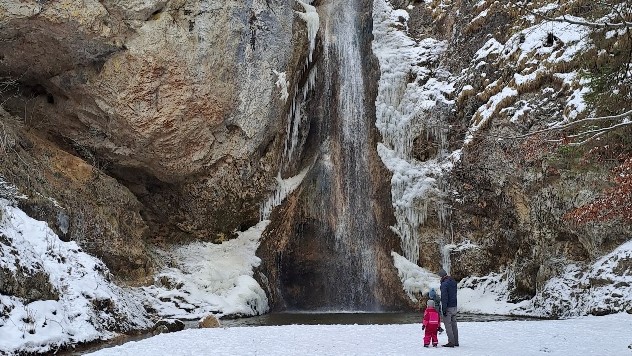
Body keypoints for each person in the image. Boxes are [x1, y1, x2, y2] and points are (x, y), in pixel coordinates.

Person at [438, 268, 459, 347]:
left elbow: (444, 298)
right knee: (454, 325)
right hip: (454, 306)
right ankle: (456, 341)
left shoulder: (444, 284)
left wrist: (444, 309)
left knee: (448, 325)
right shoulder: (453, 281)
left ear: (441, 276)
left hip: (448, 307)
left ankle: (451, 342)